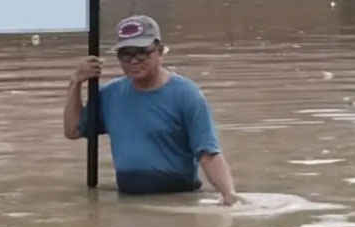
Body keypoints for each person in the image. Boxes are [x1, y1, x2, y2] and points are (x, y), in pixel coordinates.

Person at [62, 15, 241, 205]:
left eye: (142, 53)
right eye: (125, 54)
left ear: (160, 51)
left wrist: (228, 194)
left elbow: (208, 154)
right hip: (129, 201)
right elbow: (73, 130)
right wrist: (75, 83)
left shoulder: (187, 95)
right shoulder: (110, 95)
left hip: (179, 198)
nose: (133, 61)